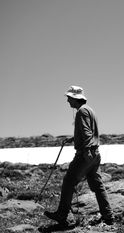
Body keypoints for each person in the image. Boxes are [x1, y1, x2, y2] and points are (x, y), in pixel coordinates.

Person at [44, 86, 114, 225]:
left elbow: (87, 132)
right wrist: (73, 139)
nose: (68, 101)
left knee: (69, 181)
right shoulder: (89, 110)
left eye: (69, 98)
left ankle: (62, 215)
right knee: (97, 184)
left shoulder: (81, 112)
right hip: (95, 154)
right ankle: (108, 216)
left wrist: (86, 150)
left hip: (85, 154)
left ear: (75, 98)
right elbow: (87, 132)